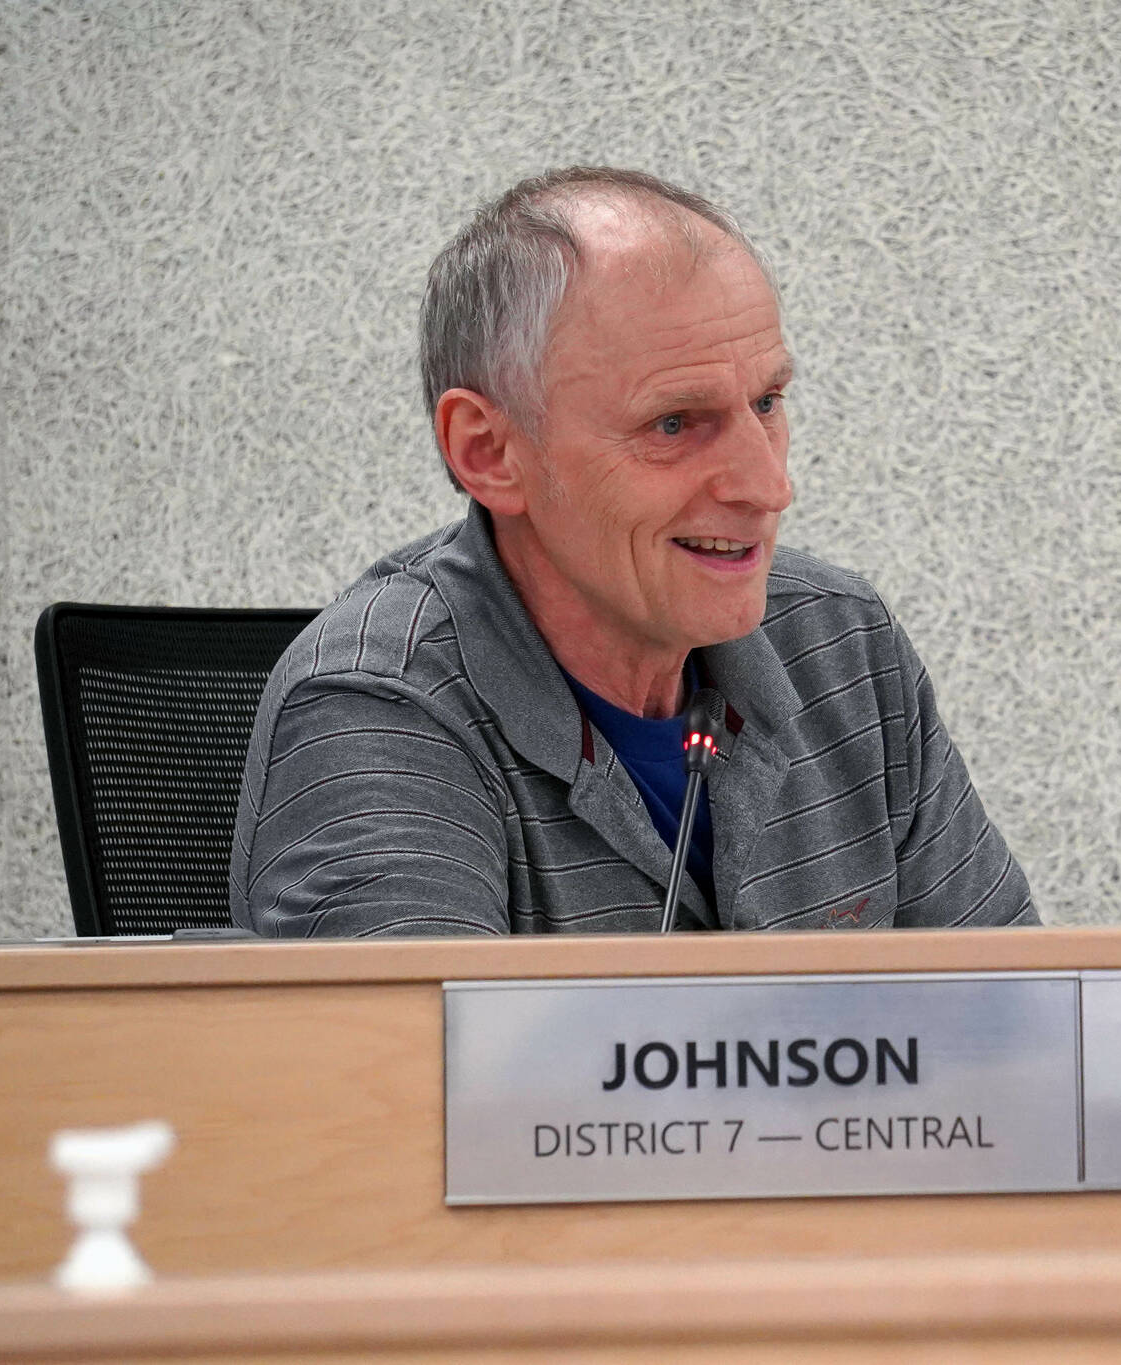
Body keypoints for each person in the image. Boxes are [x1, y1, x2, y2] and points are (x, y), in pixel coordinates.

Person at [229, 167, 1035, 936]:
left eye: (767, 402)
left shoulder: (842, 646)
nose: (768, 486)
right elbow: (412, 1077)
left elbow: (1022, 1030)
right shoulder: (377, 708)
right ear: (488, 451)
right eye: (675, 424)